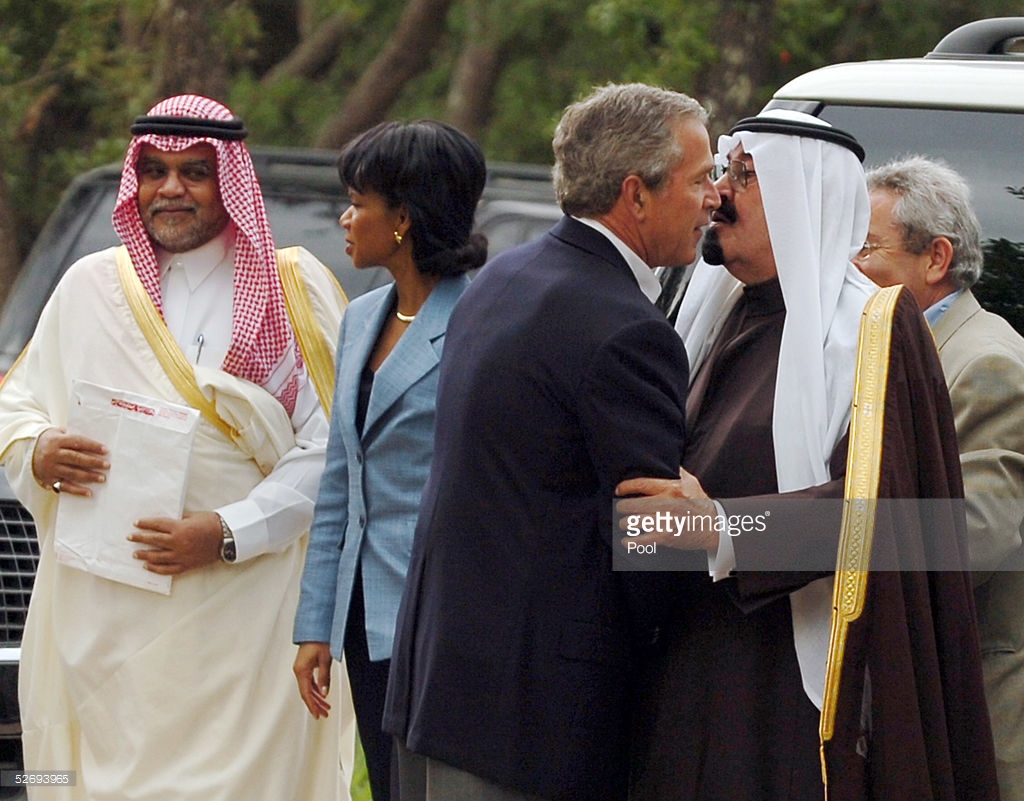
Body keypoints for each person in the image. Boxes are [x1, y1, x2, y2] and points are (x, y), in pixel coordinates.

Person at [618, 111, 998, 800]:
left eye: (745, 175)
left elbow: (889, 518)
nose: (718, 194)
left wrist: (726, 528)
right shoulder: (722, 312)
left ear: (807, 194)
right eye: (721, 173)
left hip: (788, 696)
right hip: (686, 673)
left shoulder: (872, 330)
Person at [0, 95, 350, 801]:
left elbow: (329, 447)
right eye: (155, 170)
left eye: (195, 171)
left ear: (231, 179)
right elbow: (18, 400)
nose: (170, 188)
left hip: (244, 613)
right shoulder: (88, 286)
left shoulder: (293, 289)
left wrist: (225, 532)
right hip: (106, 623)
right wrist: (37, 450)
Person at [382, 82, 719, 801]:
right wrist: (715, 538)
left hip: (440, 694)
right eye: (700, 179)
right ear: (637, 195)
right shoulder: (628, 328)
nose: (714, 198)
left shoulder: (505, 275)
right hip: (531, 726)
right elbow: (651, 538)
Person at [292, 120, 487, 801]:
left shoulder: (481, 320)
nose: (344, 218)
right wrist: (317, 620)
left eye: (357, 202)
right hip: (363, 614)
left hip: (443, 616)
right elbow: (341, 479)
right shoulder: (362, 315)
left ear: (402, 218)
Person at [856, 155, 1024, 800]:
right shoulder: (894, 347)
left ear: (936, 258)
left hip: (967, 723)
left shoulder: (985, 362)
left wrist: (783, 536)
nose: (848, 270)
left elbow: (973, 537)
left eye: (866, 249)